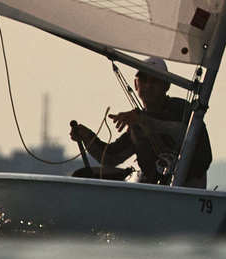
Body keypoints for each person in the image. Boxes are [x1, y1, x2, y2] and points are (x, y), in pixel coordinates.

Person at [69, 64, 211, 186]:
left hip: (187, 190)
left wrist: (144, 121)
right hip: (153, 192)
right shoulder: (136, 123)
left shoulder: (183, 109)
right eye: (143, 80)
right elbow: (110, 158)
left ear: (167, 85)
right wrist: (88, 137)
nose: (148, 85)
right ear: (136, 85)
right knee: (82, 175)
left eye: (155, 80)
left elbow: (184, 132)